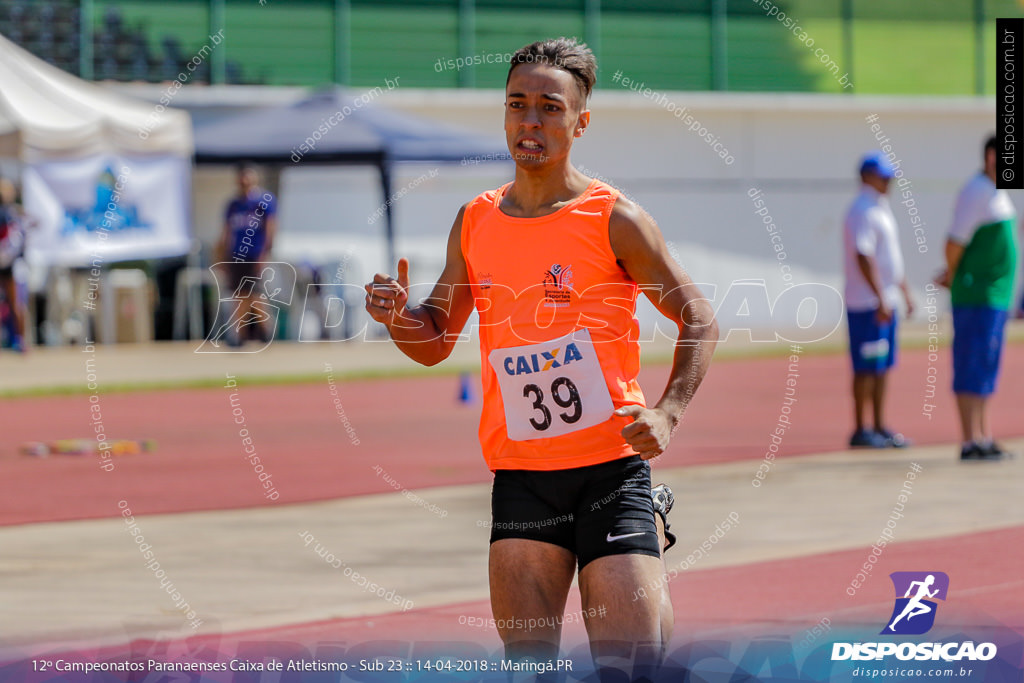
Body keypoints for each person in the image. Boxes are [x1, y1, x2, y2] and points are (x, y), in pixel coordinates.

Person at [364, 38, 717, 675]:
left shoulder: (614, 220)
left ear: (581, 122)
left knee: (633, 664)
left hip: (611, 470)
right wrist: (398, 320)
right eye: (517, 104)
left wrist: (667, 411)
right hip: (522, 481)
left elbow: (700, 318)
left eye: (550, 108)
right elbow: (435, 337)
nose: (531, 121)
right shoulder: (475, 222)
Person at [936, 136, 1017, 461]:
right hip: (976, 295)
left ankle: (983, 435)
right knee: (971, 364)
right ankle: (970, 440)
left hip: (994, 297)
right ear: (991, 156)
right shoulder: (977, 191)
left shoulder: (996, 192)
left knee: (986, 366)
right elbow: (955, 242)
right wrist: (954, 274)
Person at [842, 152, 915, 449]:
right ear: (867, 177)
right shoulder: (862, 209)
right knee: (866, 367)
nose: (889, 181)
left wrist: (904, 293)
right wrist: (880, 297)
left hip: (885, 300)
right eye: (883, 176)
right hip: (867, 304)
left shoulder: (879, 207)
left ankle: (880, 425)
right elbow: (863, 255)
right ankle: (861, 428)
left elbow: (890, 260)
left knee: (882, 365)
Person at [216, 163, 278, 345]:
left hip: (254, 252)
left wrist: (265, 253)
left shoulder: (264, 201)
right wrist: (222, 256)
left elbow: (270, 229)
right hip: (237, 253)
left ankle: (266, 329)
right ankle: (239, 335)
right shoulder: (234, 205)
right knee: (239, 294)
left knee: (255, 293)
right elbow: (226, 232)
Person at [0, 178, 29, 353]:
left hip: (9, 263)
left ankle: (20, 340)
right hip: (11, 262)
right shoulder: (13, 213)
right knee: (15, 302)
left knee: (15, 302)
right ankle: (20, 341)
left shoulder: (11, 214)